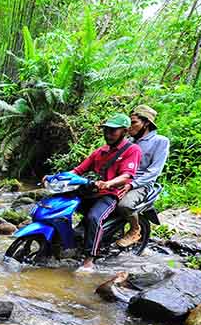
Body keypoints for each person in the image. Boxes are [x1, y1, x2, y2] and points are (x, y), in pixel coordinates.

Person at [69, 113, 141, 271]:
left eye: (113, 131)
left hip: (110, 194)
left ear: (124, 131)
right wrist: (57, 178)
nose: (108, 134)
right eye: (106, 130)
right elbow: (78, 170)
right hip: (91, 191)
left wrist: (108, 183)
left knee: (94, 217)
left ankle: (89, 258)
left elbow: (127, 175)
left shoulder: (132, 150)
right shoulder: (100, 151)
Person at [115, 104, 170, 247]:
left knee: (124, 205)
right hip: (122, 180)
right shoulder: (129, 142)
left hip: (141, 184)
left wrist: (131, 184)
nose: (129, 126)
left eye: (134, 122)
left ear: (146, 123)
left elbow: (154, 171)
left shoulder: (160, 141)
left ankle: (135, 229)